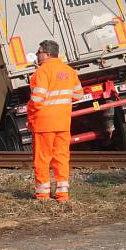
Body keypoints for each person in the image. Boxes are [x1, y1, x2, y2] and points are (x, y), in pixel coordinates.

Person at [28, 40, 83, 201]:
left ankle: (43, 194)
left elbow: (37, 99)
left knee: (42, 159)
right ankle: (62, 194)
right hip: (63, 123)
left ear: (46, 53)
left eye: (38, 52)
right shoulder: (69, 71)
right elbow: (78, 95)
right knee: (61, 158)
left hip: (43, 124)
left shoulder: (41, 72)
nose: (37, 55)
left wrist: (30, 118)